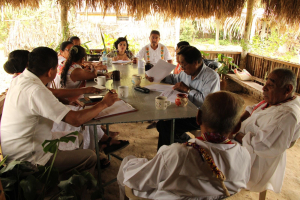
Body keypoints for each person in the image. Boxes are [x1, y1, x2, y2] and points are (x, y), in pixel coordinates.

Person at [0, 47, 124, 176]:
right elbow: (76, 120)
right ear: (50, 72)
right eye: (55, 68)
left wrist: (70, 100)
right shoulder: (36, 90)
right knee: (90, 157)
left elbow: (51, 96)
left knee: (78, 138)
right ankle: (73, 189)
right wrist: (104, 103)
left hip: (20, 148)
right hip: (29, 159)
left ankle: (70, 177)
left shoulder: (22, 79)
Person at [117, 91, 251, 200]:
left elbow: (137, 180)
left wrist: (132, 165)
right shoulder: (244, 155)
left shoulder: (179, 153)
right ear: (237, 127)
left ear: (198, 118)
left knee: (127, 162)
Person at [234, 68, 300, 193]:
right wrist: (237, 122)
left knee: (215, 156)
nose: (264, 88)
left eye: (271, 85)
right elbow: (252, 108)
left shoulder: (288, 115)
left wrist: (235, 134)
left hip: (257, 158)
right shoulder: (278, 100)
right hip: (244, 141)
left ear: (288, 89)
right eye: (266, 83)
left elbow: (261, 145)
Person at [147, 46, 220, 150]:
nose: (182, 68)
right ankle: (184, 142)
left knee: (166, 127)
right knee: (161, 124)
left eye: (184, 65)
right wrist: (157, 76)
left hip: (201, 115)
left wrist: (188, 90)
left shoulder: (211, 77)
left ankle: (163, 157)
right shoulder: (186, 73)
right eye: (181, 65)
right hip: (184, 110)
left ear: (195, 62)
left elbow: (205, 102)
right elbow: (174, 78)